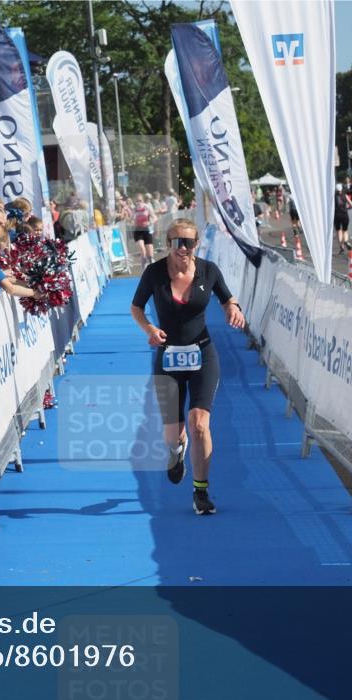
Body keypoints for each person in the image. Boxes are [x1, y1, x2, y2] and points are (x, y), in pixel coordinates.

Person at [129, 218, 245, 516]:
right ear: (168, 244)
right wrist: (150, 330)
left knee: (199, 424)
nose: (183, 248)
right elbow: (136, 307)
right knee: (174, 434)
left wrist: (233, 308)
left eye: (189, 242)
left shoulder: (208, 270)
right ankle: (175, 451)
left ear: (196, 244)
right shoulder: (155, 273)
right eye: (177, 242)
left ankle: (200, 492)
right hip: (168, 358)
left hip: (202, 355)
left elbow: (227, 298)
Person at [132, 193, 155, 268]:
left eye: (140, 200)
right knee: (142, 249)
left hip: (146, 230)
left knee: (150, 255)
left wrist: (150, 222)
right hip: (138, 230)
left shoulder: (147, 207)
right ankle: (143, 267)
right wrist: (132, 222)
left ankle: (150, 265)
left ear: (143, 200)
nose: (138, 202)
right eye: (137, 201)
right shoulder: (134, 209)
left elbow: (155, 217)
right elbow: (130, 219)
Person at [334, 184, 352, 254]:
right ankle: (346, 241)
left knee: (339, 231)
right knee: (345, 230)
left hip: (337, 215)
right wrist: (347, 208)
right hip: (345, 214)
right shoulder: (345, 195)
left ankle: (341, 247)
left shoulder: (333, 197)